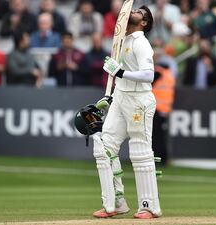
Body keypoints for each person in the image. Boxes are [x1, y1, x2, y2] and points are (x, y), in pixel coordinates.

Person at [92, 6, 162, 219]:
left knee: (140, 152)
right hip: (120, 96)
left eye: (141, 11)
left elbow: (149, 75)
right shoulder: (121, 40)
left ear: (144, 23)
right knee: (105, 147)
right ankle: (115, 203)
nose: (136, 10)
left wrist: (121, 71)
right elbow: (117, 73)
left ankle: (149, 207)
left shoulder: (141, 42)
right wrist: (110, 93)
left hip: (139, 100)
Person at [152, 58, 176, 167]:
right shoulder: (169, 75)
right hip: (164, 109)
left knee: (156, 135)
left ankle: (158, 157)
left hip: (156, 108)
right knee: (161, 135)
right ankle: (163, 158)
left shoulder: (158, 72)